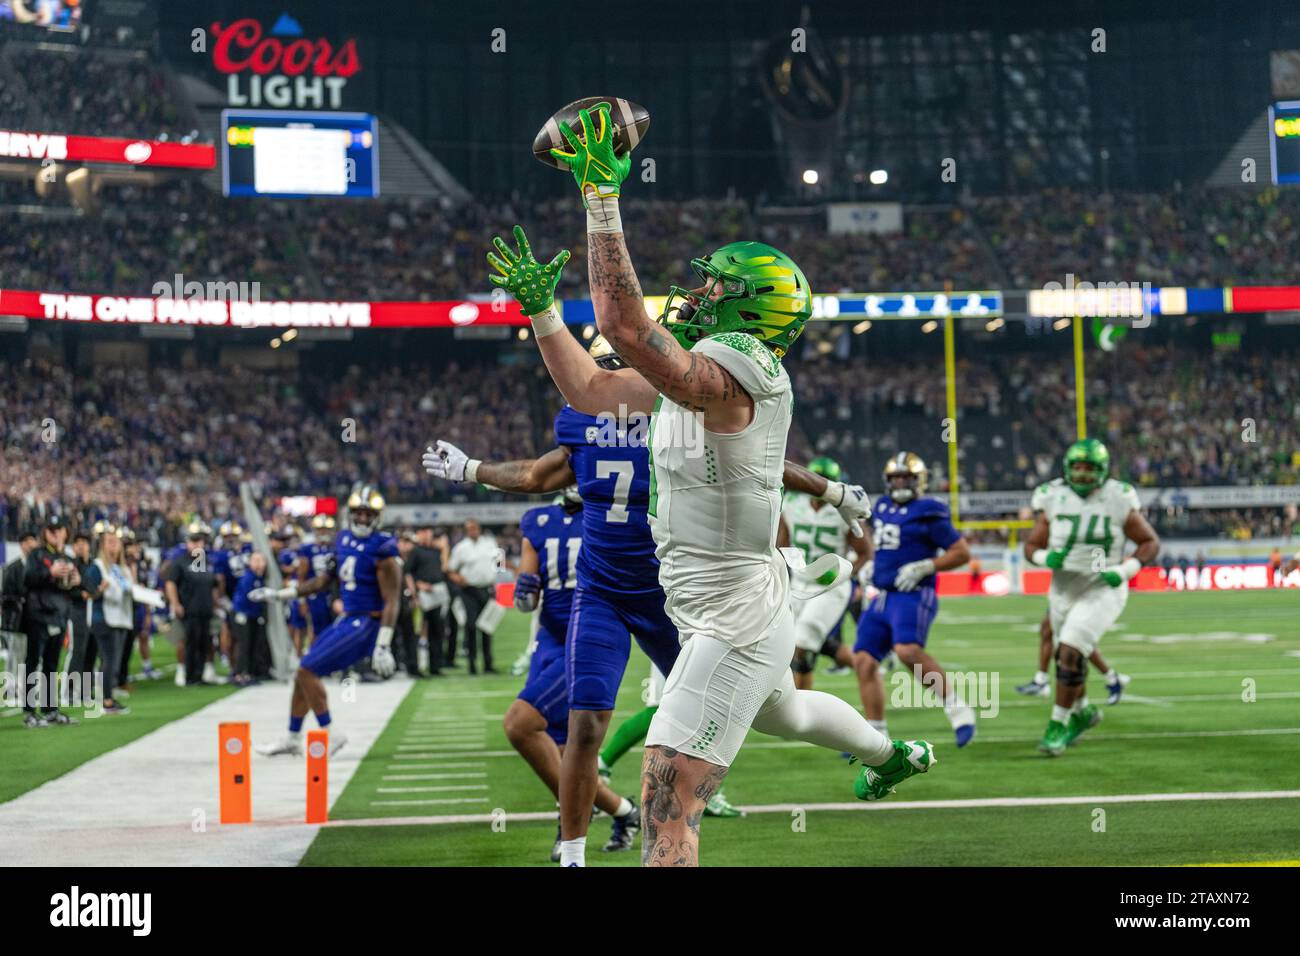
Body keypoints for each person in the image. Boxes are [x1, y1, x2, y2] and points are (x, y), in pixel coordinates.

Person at [483, 103, 914, 866]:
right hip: (722, 598)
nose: (696, 294)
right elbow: (589, 389)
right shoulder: (701, 379)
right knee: (789, 713)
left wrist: (601, 197)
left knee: (666, 800)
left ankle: (882, 755)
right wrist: (544, 313)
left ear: (748, 309)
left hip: (734, 615)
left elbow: (623, 329)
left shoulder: (739, 372)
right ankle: (889, 755)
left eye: (713, 288)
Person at [508, 487, 643, 858]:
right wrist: (524, 590)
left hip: (587, 637)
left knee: (520, 724)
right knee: (562, 747)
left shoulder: (609, 516)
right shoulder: (538, 520)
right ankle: (624, 812)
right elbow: (526, 602)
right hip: (548, 641)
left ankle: (573, 826)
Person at [1023, 438, 1160, 756]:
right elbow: (1031, 547)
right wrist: (1045, 559)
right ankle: (1083, 711)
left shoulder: (1118, 496)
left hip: (1102, 588)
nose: (1083, 475)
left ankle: (1057, 725)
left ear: (1102, 471)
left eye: (1089, 469)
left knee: (1070, 650)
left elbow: (1149, 542)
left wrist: (1125, 570)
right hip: (1062, 590)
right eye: (1077, 468)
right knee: (1067, 655)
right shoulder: (1052, 496)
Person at [254, 483, 402, 757]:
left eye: (368, 514)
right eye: (359, 513)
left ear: (377, 517)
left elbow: (392, 599)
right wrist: (280, 594)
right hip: (347, 619)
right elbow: (323, 581)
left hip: (365, 623)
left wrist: (383, 643)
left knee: (306, 671)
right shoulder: (343, 540)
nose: (363, 519)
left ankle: (330, 731)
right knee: (303, 674)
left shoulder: (383, 548)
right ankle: (292, 736)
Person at [853, 452, 976, 748]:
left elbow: (961, 552)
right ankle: (875, 735)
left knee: (907, 651)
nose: (900, 483)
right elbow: (883, 544)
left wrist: (927, 565)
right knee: (863, 661)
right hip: (882, 596)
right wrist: (872, 564)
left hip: (914, 593)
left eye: (905, 477)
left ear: (918, 480)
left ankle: (957, 709)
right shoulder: (880, 505)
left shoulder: (928, 510)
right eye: (895, 478)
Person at [777, 456, 871, 692]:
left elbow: (865, 552)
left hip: (831, 586)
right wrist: (792, 569)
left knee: (802, 646)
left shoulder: (842, 510)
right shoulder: (791, 503)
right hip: (800, 583)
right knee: (787, 646)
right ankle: (865, 666)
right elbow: (782, 544)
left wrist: (844, 574)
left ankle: (802, 705)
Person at [22, 515, 80, 728]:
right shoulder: (36, 554)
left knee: (51, 665)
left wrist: (76, 582)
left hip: (59, 615)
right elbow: (28, 578)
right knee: (33, 662)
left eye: (59, 529)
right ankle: (29, 712)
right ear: (45, 532)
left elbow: (71, 591)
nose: (56, 534)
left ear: (66, 532)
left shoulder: (68, 556)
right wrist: (50, 572)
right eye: (51, 530)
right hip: (38, 615)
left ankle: (49, 709)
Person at [1015, 612, 1130, 705]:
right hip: (1067, 594)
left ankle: (1112, 678)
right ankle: (1041, 680)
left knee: (1075, 643)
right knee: (1049, 631)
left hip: (1083, 597)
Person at [81, 524, 133, 715]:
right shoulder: (98, 566)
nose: (114, 545)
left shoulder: (120, 568)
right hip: (103, 618)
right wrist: (99, 590)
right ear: (102, 545)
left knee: (115, 659)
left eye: (116, 542)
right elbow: (86, 592)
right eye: (109, 542)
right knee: (109, 659)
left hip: (120, 617)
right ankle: (107, 700)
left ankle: (108, 696)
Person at [164, 521, 221, 687]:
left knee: (204, 643)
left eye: (200, 541)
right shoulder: (180, 562)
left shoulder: (207, 563)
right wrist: (175, 603)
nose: (197, 544)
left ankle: (200, 675)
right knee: (190, 643)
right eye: (194, 541)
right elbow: (170, 583)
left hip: (206, 609)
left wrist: (216, 604)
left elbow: (213, 586)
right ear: (188, 543)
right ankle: (190, 676)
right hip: (189, 609)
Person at [446, 519, 500, 675]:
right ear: (465, 531)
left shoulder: (490, 543)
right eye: (469, 529)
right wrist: (458, 579)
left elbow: (500, 564)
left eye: (475, 528)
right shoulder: (460, 548)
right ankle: (472, 664)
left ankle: (488, 664)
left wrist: (496, 579)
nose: (473, 531)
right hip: (469, 590)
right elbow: (450, 570)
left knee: (487, 627)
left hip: (487, 589)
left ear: (479, 528)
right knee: (470, 626)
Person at [405, 525, 450, 676]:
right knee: (417, 631)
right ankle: (414, 666)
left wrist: (445, 549)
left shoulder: (436, 551)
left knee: (437, 630)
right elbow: (408, 573)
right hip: (421, 596)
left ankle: (435, 666)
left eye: (428, 532)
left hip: (437, 593)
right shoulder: (415, 551)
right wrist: (416, 590)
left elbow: (444, 568)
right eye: (423, 532)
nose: (427, 535)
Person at [229, 551, 269, 687]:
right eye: (255, 560)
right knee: (244, 644)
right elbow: (248, 598)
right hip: (242, 614)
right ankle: (239, 673)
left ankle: (248, 672)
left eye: (261, 560)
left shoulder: (259, 578)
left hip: (252, 615)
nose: (259, 564)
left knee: (252, 644)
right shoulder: (248, 577)